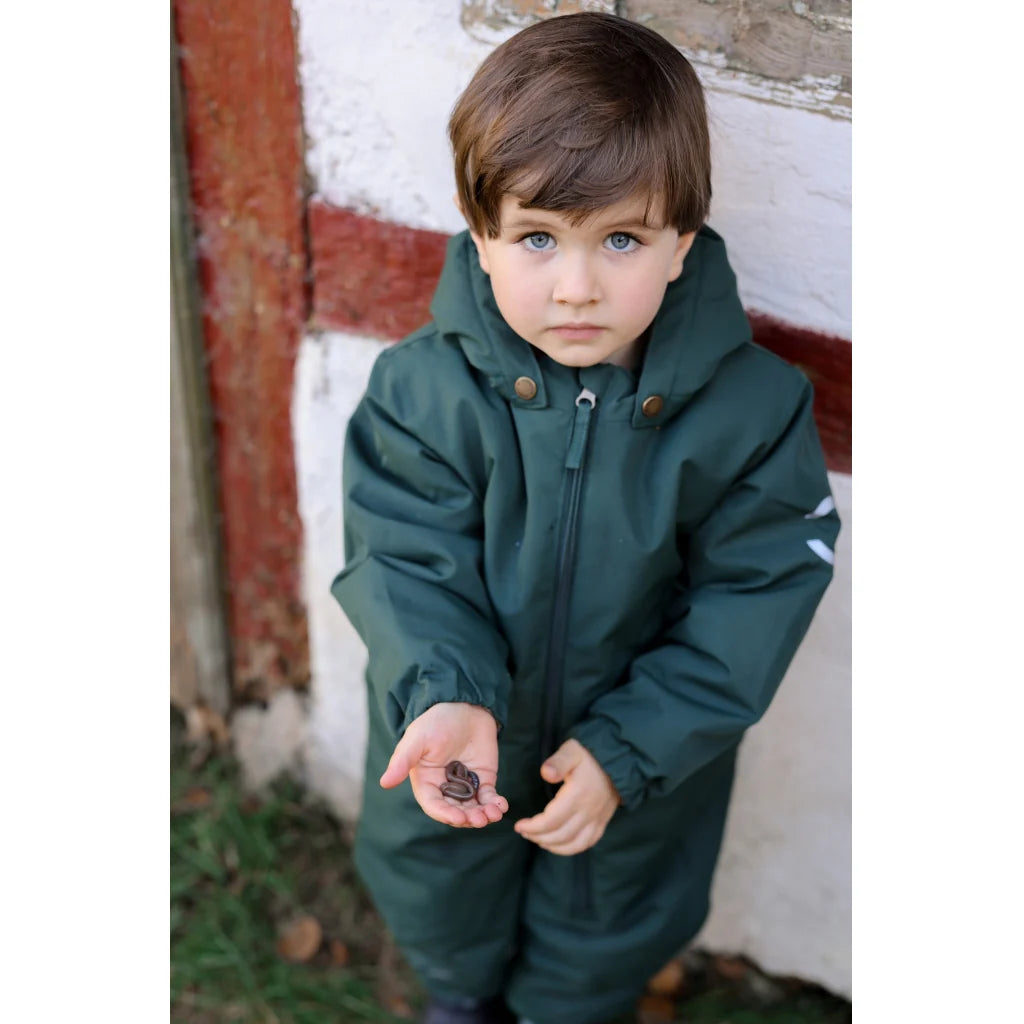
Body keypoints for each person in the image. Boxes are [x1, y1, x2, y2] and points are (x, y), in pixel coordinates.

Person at [331, 12, 840, 1024]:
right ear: (479, 233)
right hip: (458, 734)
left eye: (620, 239)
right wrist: (444, 691)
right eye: (536, 238)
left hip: (637, 766)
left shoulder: (751, 413)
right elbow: (402, 556)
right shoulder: (423, 392)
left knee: (604, 922)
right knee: (443, 884)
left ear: (681, 241)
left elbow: (757, 590)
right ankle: (459, 997)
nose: (576, 288)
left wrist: (631, 748)